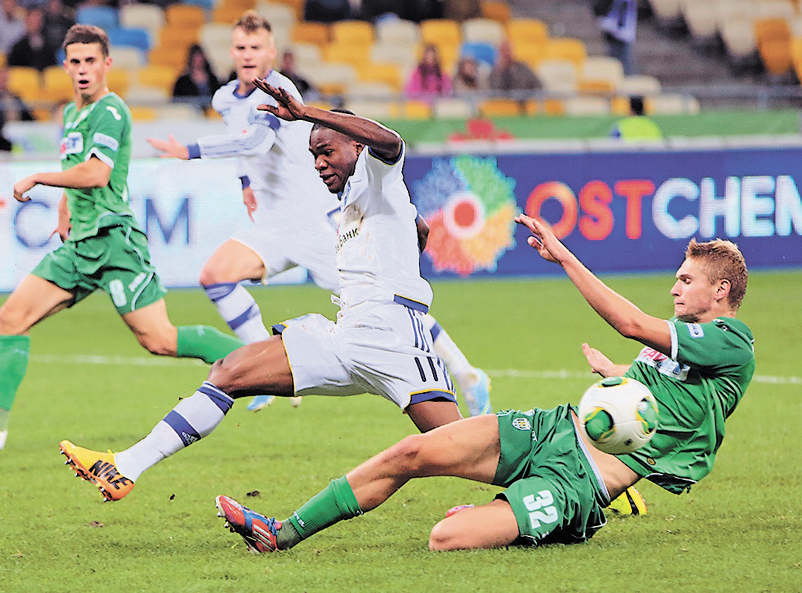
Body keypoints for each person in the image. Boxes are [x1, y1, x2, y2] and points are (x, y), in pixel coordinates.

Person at [59, 77, 500, 502]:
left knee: (464, 450)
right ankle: (124, 467)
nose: (319, 164)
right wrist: (408, 237)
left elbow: (392, 141)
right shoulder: (354, 201)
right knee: (229, 372)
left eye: (326, 151)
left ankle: (543, 479)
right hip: (346, 336)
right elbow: (418, 227)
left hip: (396, 340)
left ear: (356, 147)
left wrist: (305, 112)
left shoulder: (376, 169)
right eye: (313, 157)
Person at [215, 224, 754, 553]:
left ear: (721, 290)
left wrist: (565, 257)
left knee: (444, 538)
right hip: (554, 429)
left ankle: (536, 521)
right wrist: (612, 373)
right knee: (412, 452)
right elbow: (657, 392)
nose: (674, 286)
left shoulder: (731, 343)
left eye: (686, 280)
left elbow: (634, 325)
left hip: (580, 483)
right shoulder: (690, 342)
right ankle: (280, 531)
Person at [148, 11, 491, 414]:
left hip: (315, 223)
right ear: (232, 51)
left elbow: (256, 142)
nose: (247, 55)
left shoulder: (279, 89)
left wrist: (189, 151)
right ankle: (256, 362)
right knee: (215, 276)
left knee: (383, 303)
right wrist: (245, 184)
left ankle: (466, 372)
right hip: (275, 224)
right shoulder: (224, 98)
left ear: (271, 51)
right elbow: (238, 142)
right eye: (241, 47)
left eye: (256, 48)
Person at [0, 24, 246, 455]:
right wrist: (64, 211)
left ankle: (259, 361)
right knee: (12, 317)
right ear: (65, 66)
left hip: (116, 243)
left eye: (91, 61)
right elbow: (77, 168)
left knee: (160, 340)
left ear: (106, 64)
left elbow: (97, 172)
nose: (83, 70)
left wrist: (39, 177)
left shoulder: (111, 111)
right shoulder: (70, 114)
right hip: (80, 247)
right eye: (75, 62)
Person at [598, 0, 637, 76]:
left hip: (621, 32)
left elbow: (623, 16)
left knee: (621, 61)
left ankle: (625, 79)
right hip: (619, 32)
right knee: (617, 61)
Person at [7, 6, 58, 71]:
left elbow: (52, 68)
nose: (36, 23)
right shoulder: (18, 47)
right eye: (33, 20)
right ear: (26, 21)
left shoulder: (49, 47)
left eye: (38, 19)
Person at [171, 44, 221, 110]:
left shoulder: (212, 79)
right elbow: (176, 100)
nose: (198, 60)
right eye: (196, 57)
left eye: (200, 57)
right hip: (190, 115)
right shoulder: (182, 81)